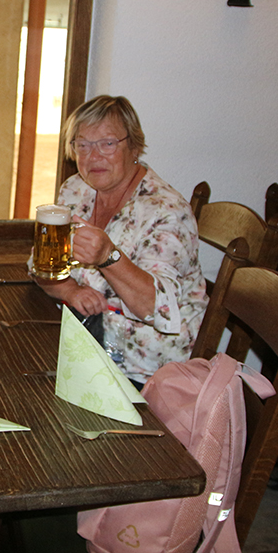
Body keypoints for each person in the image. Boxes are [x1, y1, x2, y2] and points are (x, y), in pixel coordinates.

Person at [34, 95, 208, 387]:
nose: (93, 156)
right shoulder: (76, 189)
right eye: (82, 145)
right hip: (82, 341)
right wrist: (71, 290)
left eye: (108, 143)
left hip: (145, 370)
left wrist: (108, 257)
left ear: (134, 146)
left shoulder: (166, 211)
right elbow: (42, 264)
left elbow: (156, 309)